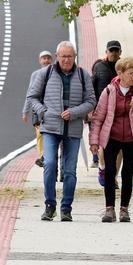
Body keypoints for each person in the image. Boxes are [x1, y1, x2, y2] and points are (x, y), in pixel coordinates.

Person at [26, 41, 96, 222]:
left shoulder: (83, 75)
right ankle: (50, 206)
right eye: (63, 56)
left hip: (73, 128)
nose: (66, 60)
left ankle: (66, 208)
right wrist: (43, 111)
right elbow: (32, 97)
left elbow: (91, 101)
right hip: (50, 127)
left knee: (70, 170)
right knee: (49, 164)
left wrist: (75, 112)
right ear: (57, 57)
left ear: (75, 57)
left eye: (70, 56)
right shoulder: (46, 73)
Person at [88, 57, 133, 222]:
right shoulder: (109, 91)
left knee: (128, 172)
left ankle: (124, 209)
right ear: (120, 73)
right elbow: (98, 118)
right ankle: (109, 209)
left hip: (132, 138)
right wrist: (94, 141)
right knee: (110, 172)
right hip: (112, 136)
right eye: (131, 73)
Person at [91, 40, 122, 184]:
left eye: (116, 51)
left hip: (121, 112)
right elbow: (91, 87)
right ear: (107, 52)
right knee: (105, 144)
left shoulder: (125, 67)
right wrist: (91, 108)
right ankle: (103, 169)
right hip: (102, 110)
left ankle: (113, 176)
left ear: (120, 52)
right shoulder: (99, 66)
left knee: (121, 147)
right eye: (111, 51)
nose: (114, 53)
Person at [22, 50, 54, 167]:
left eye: (48, 58)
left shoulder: (55, 73)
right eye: (43, 58)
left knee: (51, 135)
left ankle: (48, 156)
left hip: (52, 109)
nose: (46, 60)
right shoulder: (35, 75)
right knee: (40, 134)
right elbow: (30, 93)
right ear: (40, 61)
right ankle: (42, 157)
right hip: (38, 110)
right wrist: (25, 111)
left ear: (52, 60)